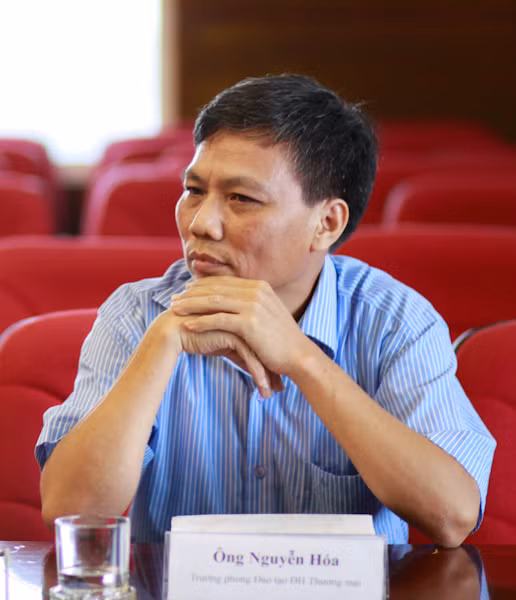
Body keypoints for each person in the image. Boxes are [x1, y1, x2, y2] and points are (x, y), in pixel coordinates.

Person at [36, 74, 495, 546]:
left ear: (326, 223)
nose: (202, 223)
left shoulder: (394, 320)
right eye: (194, 190)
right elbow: (70, 510)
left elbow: (452, 515)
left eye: (241, 199)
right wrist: (163, 340)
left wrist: (302, 358)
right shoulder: (137, 314)